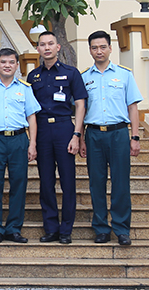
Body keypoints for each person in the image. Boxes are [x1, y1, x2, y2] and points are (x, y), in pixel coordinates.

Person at [80, 30, 142, 246]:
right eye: (94, 47)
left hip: (118, 134)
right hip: (94, 134)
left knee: (121, 183)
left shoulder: (124, 74)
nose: (99, 51)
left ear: (110, 48)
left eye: (102, 47)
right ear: (90, 50)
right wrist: (80, 139)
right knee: (96, 183)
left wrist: (134, 136)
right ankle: (101, 228)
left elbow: (132, 106)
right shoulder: (84, 77)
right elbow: (80, 110)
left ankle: (122, 228)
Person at [27, 30, 87, 244]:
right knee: (46, 181)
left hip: (64, 129)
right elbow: (30, 111)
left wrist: (77, 134)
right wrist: (31, 140)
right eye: (42, 44)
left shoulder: (71, 73)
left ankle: (66, 230)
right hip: (42, 131)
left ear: (58, 46)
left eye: (50, 43)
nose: (47, 48)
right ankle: (51, 227)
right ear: (38, 49)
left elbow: (80, 104)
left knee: (68, 181)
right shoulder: (33, 76)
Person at [0, 48, 40, 244]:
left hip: (18, 140)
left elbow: (32, 117)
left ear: (17, 65)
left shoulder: (25, 88)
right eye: (3, 62)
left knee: (19, 184)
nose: (7, 65)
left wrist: (33, 143)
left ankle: (14, 228)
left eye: (11, 62)